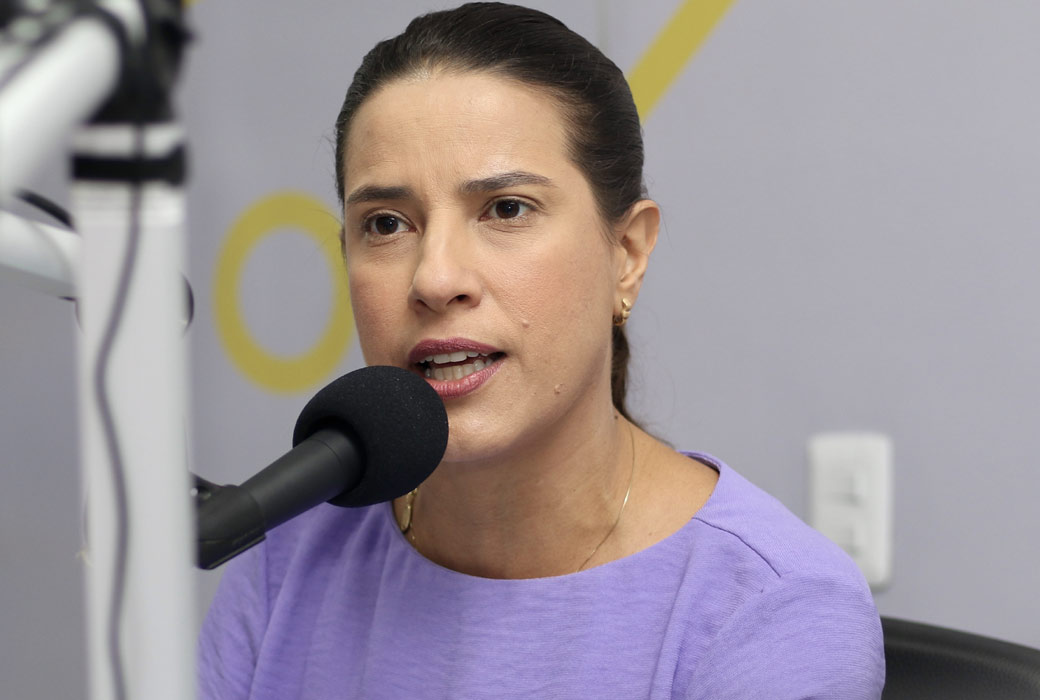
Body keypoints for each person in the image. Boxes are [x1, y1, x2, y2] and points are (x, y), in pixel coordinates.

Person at [198, 3, 885, 698]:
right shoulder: (287, 559)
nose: (435, 278)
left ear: (626, 254)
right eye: (385, 224)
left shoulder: (769, 609)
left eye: (506, 209)